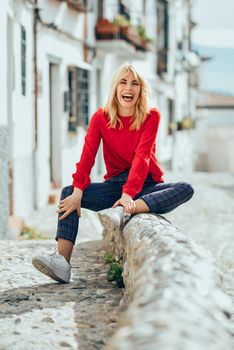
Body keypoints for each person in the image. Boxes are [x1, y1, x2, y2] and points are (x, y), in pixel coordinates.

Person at [32, 63, 194, 283]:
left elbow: (142, 157)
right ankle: (61, 261)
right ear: (115, 88)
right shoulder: (101, 117)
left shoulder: (151, 116)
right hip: (115, 189)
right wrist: (79, 191)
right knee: (68, 192)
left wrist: (129, 198)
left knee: (186, 188)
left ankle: (127, 211)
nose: (129, 87)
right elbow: (87, 155)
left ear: (141, 90)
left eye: (135, 83)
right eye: (123, 82)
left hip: (146, 187)